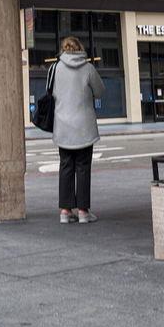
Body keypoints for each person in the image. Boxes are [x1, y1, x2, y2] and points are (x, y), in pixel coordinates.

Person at [52, 36, 104, 224]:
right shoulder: (88, 68)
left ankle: (65, 211)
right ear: (80, 49)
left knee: (66, 166)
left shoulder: (56, 68)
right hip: (83, 126)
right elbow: (100, 91)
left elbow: (52, 93)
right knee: (83, 167)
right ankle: (83, 211)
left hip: (63, 125)